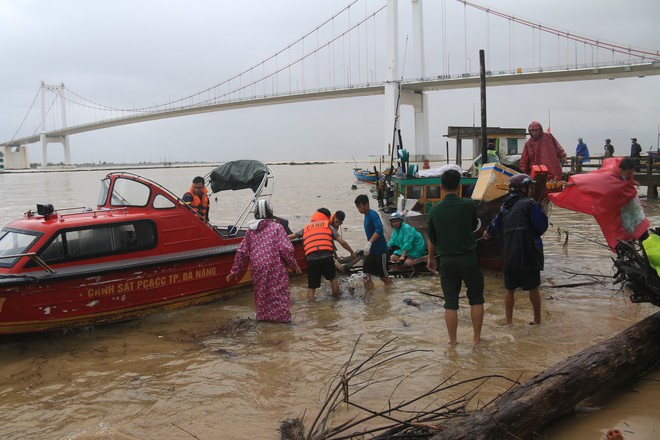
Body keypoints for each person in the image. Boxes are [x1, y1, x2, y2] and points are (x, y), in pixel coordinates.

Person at [426, 170, 484, 345]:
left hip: (448, 261)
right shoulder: (469, 205)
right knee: (476, 298)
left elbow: (432, 239)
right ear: (459, 186)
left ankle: (453, 341)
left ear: (441, 187)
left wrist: (430, 258)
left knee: (450, 303)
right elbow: (474, 225)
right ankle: (476, 339)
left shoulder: (434, 211)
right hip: (469, 258)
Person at [483, 174, 548, 325]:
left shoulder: (504, 207)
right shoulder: (530, 204)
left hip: (510, 255)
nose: (531, 190)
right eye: (529, 187)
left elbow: (492, 228)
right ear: (523, 189)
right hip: (529, 253)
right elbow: (541, 226)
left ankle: (509, 322)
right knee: (533, 288)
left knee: (509, 289)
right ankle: (537, 320)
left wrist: (487, 234)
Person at [549, 157, 650, 251]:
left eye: (632, 172)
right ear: (622, 171)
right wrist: (574, 183)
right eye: (629, 172)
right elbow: (592, 180)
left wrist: (632, 181)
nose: (630, 174)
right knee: (624, 233)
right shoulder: (610, 177)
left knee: (641, 231)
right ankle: (629, 255)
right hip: (619, 210)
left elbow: (627, 180)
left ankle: (646, 254)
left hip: (631, 208)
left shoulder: (626, 176)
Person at [226, 200, 301, 323]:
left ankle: (263, 320)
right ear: (270, 213)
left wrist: (235, 271)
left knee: (262, 294)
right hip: (275, 267)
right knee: (278, 294)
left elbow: (242, 252)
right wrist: (294, 265)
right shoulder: (277, 228)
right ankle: (283, 321)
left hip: (257, 268)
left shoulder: (250, 231)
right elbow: (285, 250)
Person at [297, 208, 351, 299]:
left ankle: (311, 307)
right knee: (333, 279)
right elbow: (339, 241)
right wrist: (352, 252)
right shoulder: (328, 225)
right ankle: (336, 301)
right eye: (337, 222)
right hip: (326, 257)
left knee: (311, 286)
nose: (338, 224)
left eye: (339, 223)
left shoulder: (307, 227)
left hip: (311, 259)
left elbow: (294, 236)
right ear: (329, 217)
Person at [354, 194, 393, 290]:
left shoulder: (372, 214)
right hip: (372, 251)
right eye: (357, 207)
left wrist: (369, 243)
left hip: (381, 251)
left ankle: (391, 295)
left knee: (384, 277)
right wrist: (369, 246)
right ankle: (370, 297)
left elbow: (379, 229)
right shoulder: (366, 216)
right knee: (366, 275)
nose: (359, 209)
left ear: (366, 204)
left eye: (360, 206)